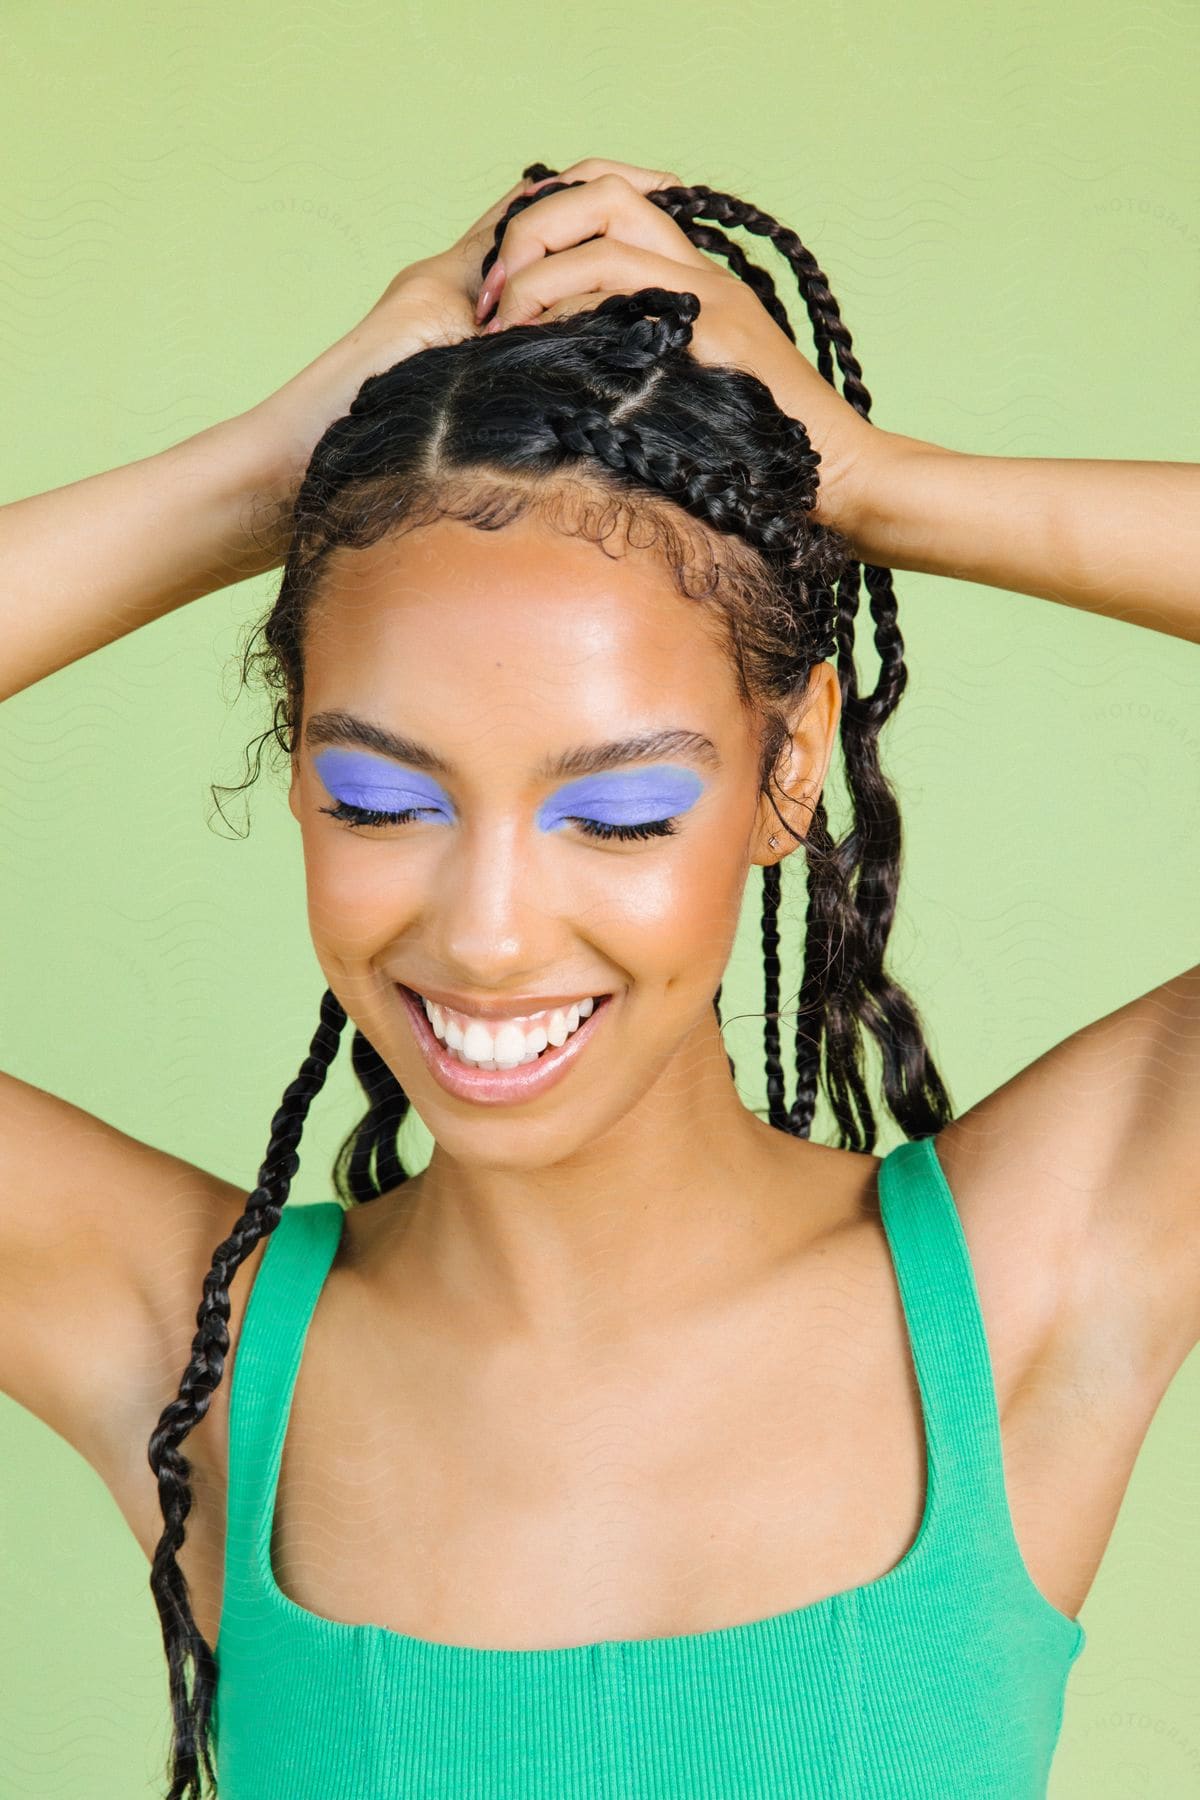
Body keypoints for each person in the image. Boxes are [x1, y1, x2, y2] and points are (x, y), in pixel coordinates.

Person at [0, 154, 1195, 1800]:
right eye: (380, 800)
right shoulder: (187, 1352)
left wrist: (880, 481)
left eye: (619, 813)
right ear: (293, 777)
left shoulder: (1026, 1288)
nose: (488, 931)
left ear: (794, 772)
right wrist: (266, 474)